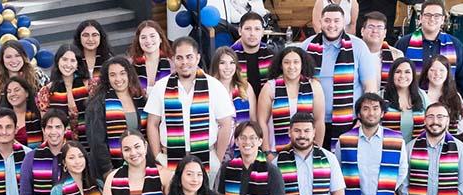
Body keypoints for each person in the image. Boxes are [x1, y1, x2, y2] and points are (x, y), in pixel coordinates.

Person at [146, 37, 236, 176]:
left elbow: (226, 123)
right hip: (169, 159)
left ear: (198, 58)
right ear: (173, 59)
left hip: (206, 158)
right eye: (179, 58)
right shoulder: (161, 86)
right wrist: (158, 155)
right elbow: (152, 123)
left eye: (189, 57)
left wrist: (217, 158)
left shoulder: (214, 86)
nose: (184, 62)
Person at [334, 93, 407, 195]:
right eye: (366, 109)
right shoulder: (345, 140)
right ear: (359, 114)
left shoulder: (395, 140)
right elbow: (338, 171)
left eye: (375, 108)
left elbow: (402, 170)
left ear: (382, 113)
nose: (371, 113)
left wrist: (386, 189)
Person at [299, 4, 380, 141]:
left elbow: (370, 87)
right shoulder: (306, 46)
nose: (332, 25)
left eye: (336, 21)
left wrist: (363, 119)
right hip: (312, 122)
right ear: (320, 22)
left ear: (344, 23)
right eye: (327, 20)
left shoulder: (358, 47)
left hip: (350, 121)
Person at [401, 103, 463, 195]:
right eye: (431, 117)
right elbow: (403, 183)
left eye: (440, 117)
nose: (435, 122)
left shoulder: (460, 150)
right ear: (424, 120)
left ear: (448, 120)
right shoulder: (410, 148)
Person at [87, 56, 148, 177]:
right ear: (107, 78)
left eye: (122, 73)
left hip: (140, 164)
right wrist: (107, 170)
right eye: (113, 75)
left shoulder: (140, 99)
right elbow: (96, 142)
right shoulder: (98, 103)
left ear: (129, 75)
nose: (118, 79)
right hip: (112, 168)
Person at [256, 46, 324, 153]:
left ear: (302, 65)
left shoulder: (314, 86)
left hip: (307, 151)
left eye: (296, 62)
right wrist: (267, 152)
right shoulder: (270, 88)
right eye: (286, 62)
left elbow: (319, 121)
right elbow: (262, 122)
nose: (291, 66)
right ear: (281, 65)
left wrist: (317, 150)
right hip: (275, 152)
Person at [400, 0, 463, 92]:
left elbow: (462, 78)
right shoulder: (404, 43)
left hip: (445, 102)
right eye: (428, 15)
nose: (432, 19)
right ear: (420, 18)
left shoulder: (456, 45)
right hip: (412, 102)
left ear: (443, 19)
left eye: (437, 16)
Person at [42, 45, 93, 148]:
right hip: (61, 148)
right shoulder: (46, 91)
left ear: (78, 64)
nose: (68, 64)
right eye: (64, 59)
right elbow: (46, 127)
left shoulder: (90, 86)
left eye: (72, 61)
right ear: (58, 61)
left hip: (90, 145)